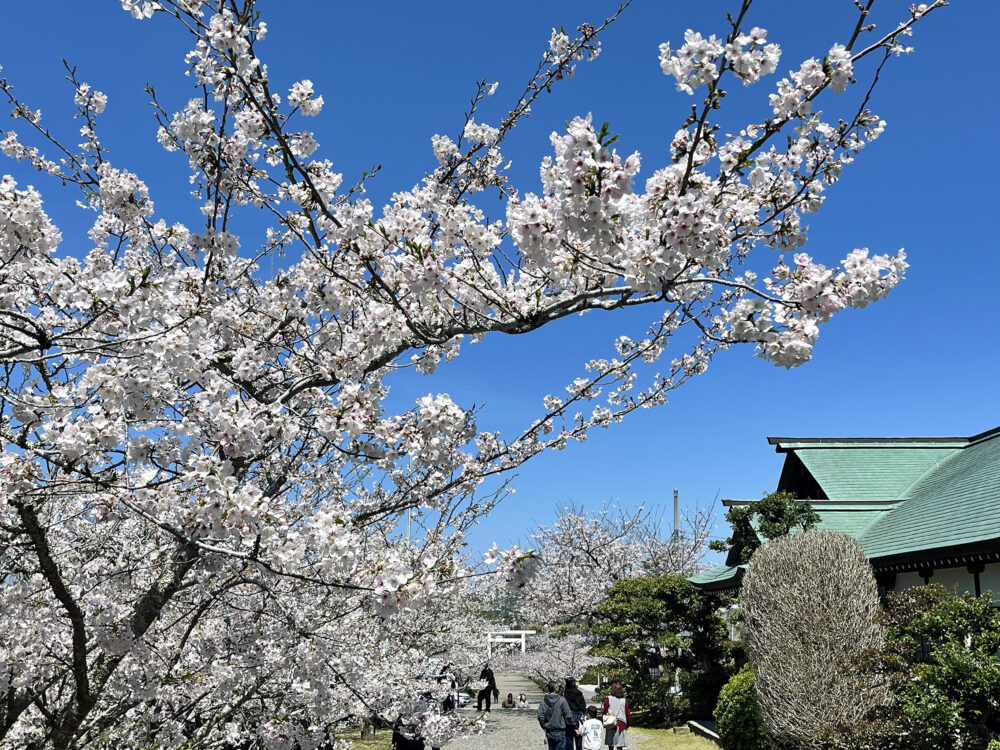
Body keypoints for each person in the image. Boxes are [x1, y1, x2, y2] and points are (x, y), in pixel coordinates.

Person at [538, 682, 575, 750]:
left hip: (549, 730)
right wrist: (575, 726)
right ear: (555, 688)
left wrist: (544, 726)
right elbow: (568, 715)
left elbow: (540, 716)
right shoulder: (562, 700)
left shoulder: (543, 700)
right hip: (560, 730)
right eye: (557, 686)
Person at [602, 682, 630, 749]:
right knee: (619, 745)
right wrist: (628, 724)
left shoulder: (609, 698)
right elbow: (627, 713)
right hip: (621, 724)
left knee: (611, 744)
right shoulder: (624, 700)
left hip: (611, 723)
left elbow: (605, 711)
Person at [563, 678, 587, 750]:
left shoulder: (565, 694)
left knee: (569, 739)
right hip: (578, 718)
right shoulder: (579, 693)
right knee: (578, 739)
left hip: (568, 718)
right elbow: (583, 706)